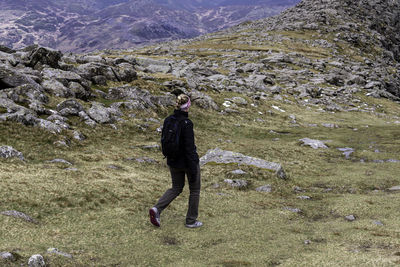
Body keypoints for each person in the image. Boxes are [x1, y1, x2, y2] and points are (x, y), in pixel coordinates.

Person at [149, 94, 202, 228]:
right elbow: (189, 148)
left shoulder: (168, 120)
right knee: (194, 190)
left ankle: (157, 209)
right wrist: (193, 168)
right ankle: (191, 221)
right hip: (187, 162)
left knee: (176, 187)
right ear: (188, 106)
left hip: (173, 161)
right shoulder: (187, 123)